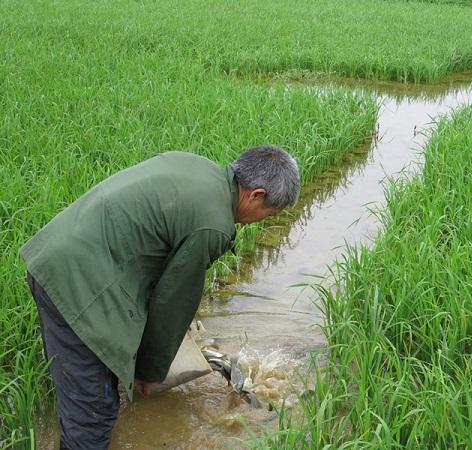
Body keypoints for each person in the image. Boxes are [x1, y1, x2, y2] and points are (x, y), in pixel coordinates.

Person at [21, 145, 300, 449]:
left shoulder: (197, 167)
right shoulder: (214, 224)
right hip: (79, 286)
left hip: (56, 258)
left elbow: (157, 264)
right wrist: (149, 372)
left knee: (83, 396)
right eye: (269, 214)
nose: (260, 221)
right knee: (93, 418)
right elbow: (172, 301)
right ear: (256, 195)